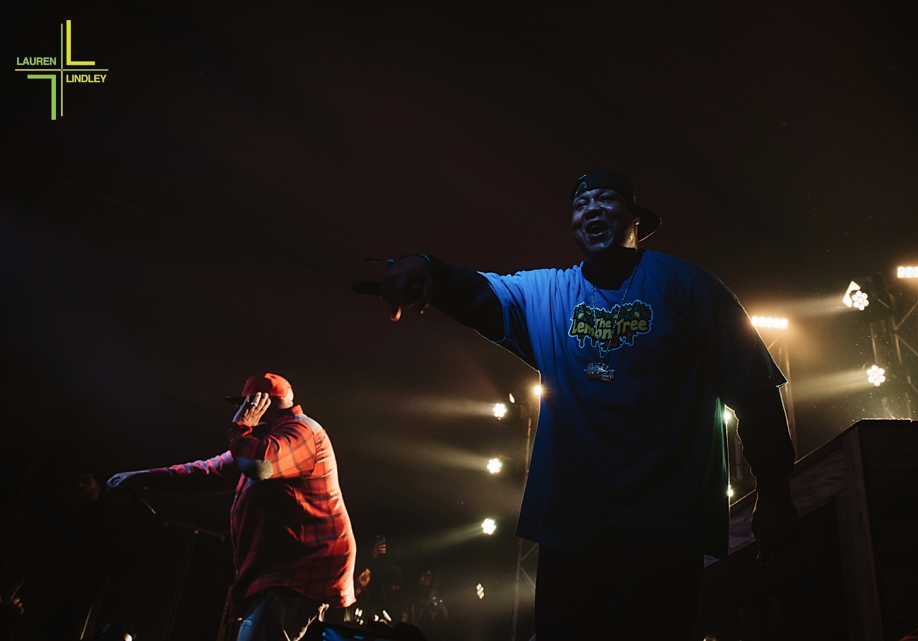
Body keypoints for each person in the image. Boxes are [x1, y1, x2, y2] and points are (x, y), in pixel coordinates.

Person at [375, 169, 800, 639]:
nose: (591, 209)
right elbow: (479, 292)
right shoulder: (547, 293)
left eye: (605, 199)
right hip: (571, 537)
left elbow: (754, 390)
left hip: (661, 536)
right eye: (580, 204)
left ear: (635, 219)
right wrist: (426, 267)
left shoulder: (691, 287)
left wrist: (775, 494)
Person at [107, 373, 356, 641]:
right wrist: (144, 477)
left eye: (243, 404)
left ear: (258, 402)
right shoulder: (262, 440)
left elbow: (260, 465)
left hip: (302, 568)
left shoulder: (301, 431)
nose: (240, 411)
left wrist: (240, 426)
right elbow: (207, 472)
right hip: (283, 569)